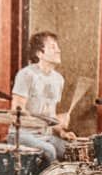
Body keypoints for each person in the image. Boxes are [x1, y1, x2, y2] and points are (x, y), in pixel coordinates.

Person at [9, 30, 77, 164]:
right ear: (39, 53)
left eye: (57, 46)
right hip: (22, 135)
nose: (58, 50)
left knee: (72, 150)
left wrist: (62, 131)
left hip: (45, 136)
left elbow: (49, 116)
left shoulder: (58, 79)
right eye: (53, 47)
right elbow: (17, 112)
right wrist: (51, 121)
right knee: (49, 151)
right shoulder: (26, 75)